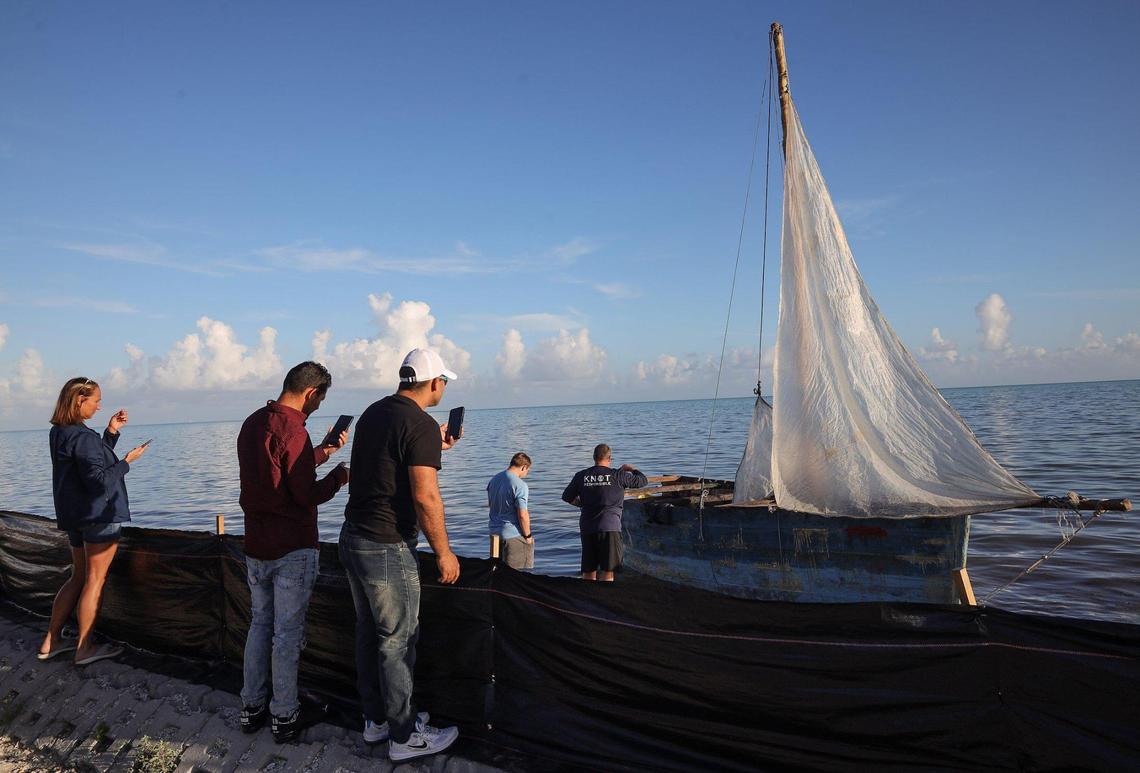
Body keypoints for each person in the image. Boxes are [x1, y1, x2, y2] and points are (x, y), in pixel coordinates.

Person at [339, 348, 463, 761]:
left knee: (367, 633)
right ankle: (405, 736)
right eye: (444, 380)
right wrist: (443, 552)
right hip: (387, 546)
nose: (443, 387)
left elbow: (384, 466)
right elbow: (425, 496)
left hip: (353, 536)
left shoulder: (374, 412)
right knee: (398, 641)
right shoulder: (421, 424)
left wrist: (434, 448)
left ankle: (379, 721)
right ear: (433, 383)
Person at [236, 362, 350, 743]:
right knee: (286, 634)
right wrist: (339, 477)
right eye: (322, 398)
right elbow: (304, 494)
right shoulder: (295, 430)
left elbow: (278, 472)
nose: (319, 405)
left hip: (256, 544)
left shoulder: (253, 423)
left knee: (259, 624)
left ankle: (251, 707)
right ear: (311, 392)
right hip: (292, 547)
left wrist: (320, 454)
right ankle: (284, 715)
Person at [41, 377, 149, 666]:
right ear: (80, 401)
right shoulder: (82, 437)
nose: (99, 406)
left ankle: (51, 640)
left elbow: (89, 460)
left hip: (73, 516)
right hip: (98, 516)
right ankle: (85, 647)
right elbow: (98, 480)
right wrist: (127, 462)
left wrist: (111, 433)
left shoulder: (60, 432)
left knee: (77, 575)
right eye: (96, 401)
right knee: (94, 580)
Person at [561, 444, 647, 582]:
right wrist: (632, 469)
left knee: (589, 570)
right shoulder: (618, 475)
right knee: (608, 570)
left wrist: (581, 504)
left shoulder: (581, 475)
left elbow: (566, 497)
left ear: (594, 457)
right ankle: (605, 598)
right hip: (610, 528)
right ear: (610, 459)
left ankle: (587, 597)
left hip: (587, 527)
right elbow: (643, 481)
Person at [487, 453, 534, 569]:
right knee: (519, 576)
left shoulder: (494, 480)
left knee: (497, 573)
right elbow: (522, 515)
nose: (526, 474)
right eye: (527, 471)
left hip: (494, 533)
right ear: (524, 467)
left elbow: (491, 505)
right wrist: (528, 537)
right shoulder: (520, 485)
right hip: (513, 535)